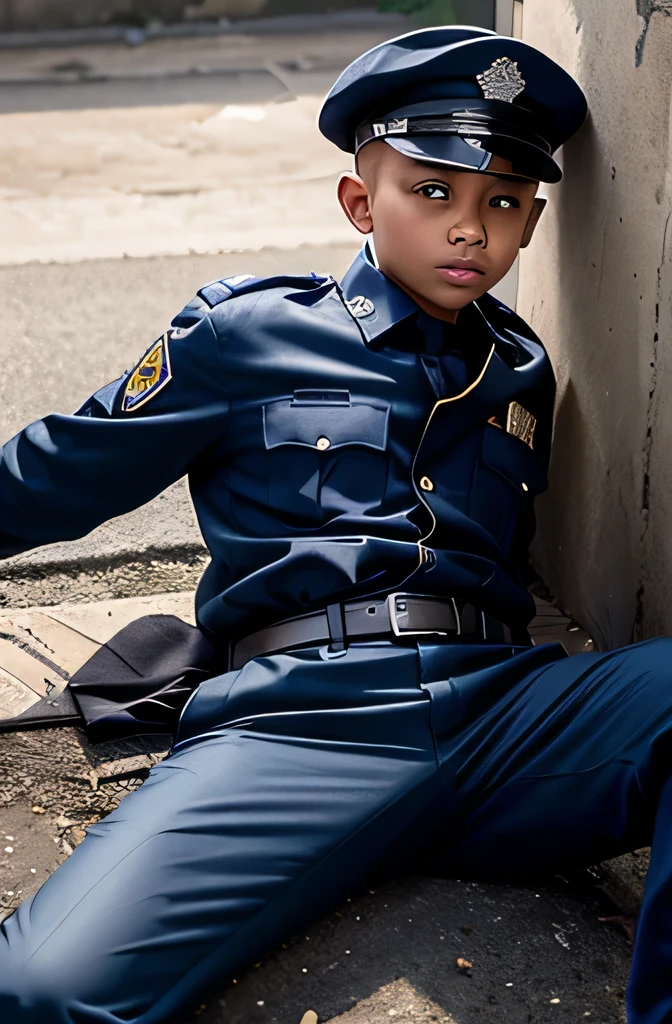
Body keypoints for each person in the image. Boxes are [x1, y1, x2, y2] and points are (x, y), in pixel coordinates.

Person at [0, 24, 668, 1024]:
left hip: (504, 721)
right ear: (361, 200)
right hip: (303, 726)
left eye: (506, 204)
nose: (471, 230)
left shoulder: (520, 369)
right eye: (433, 192)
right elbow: (58, 472)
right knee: (40, 987)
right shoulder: (248, 333)